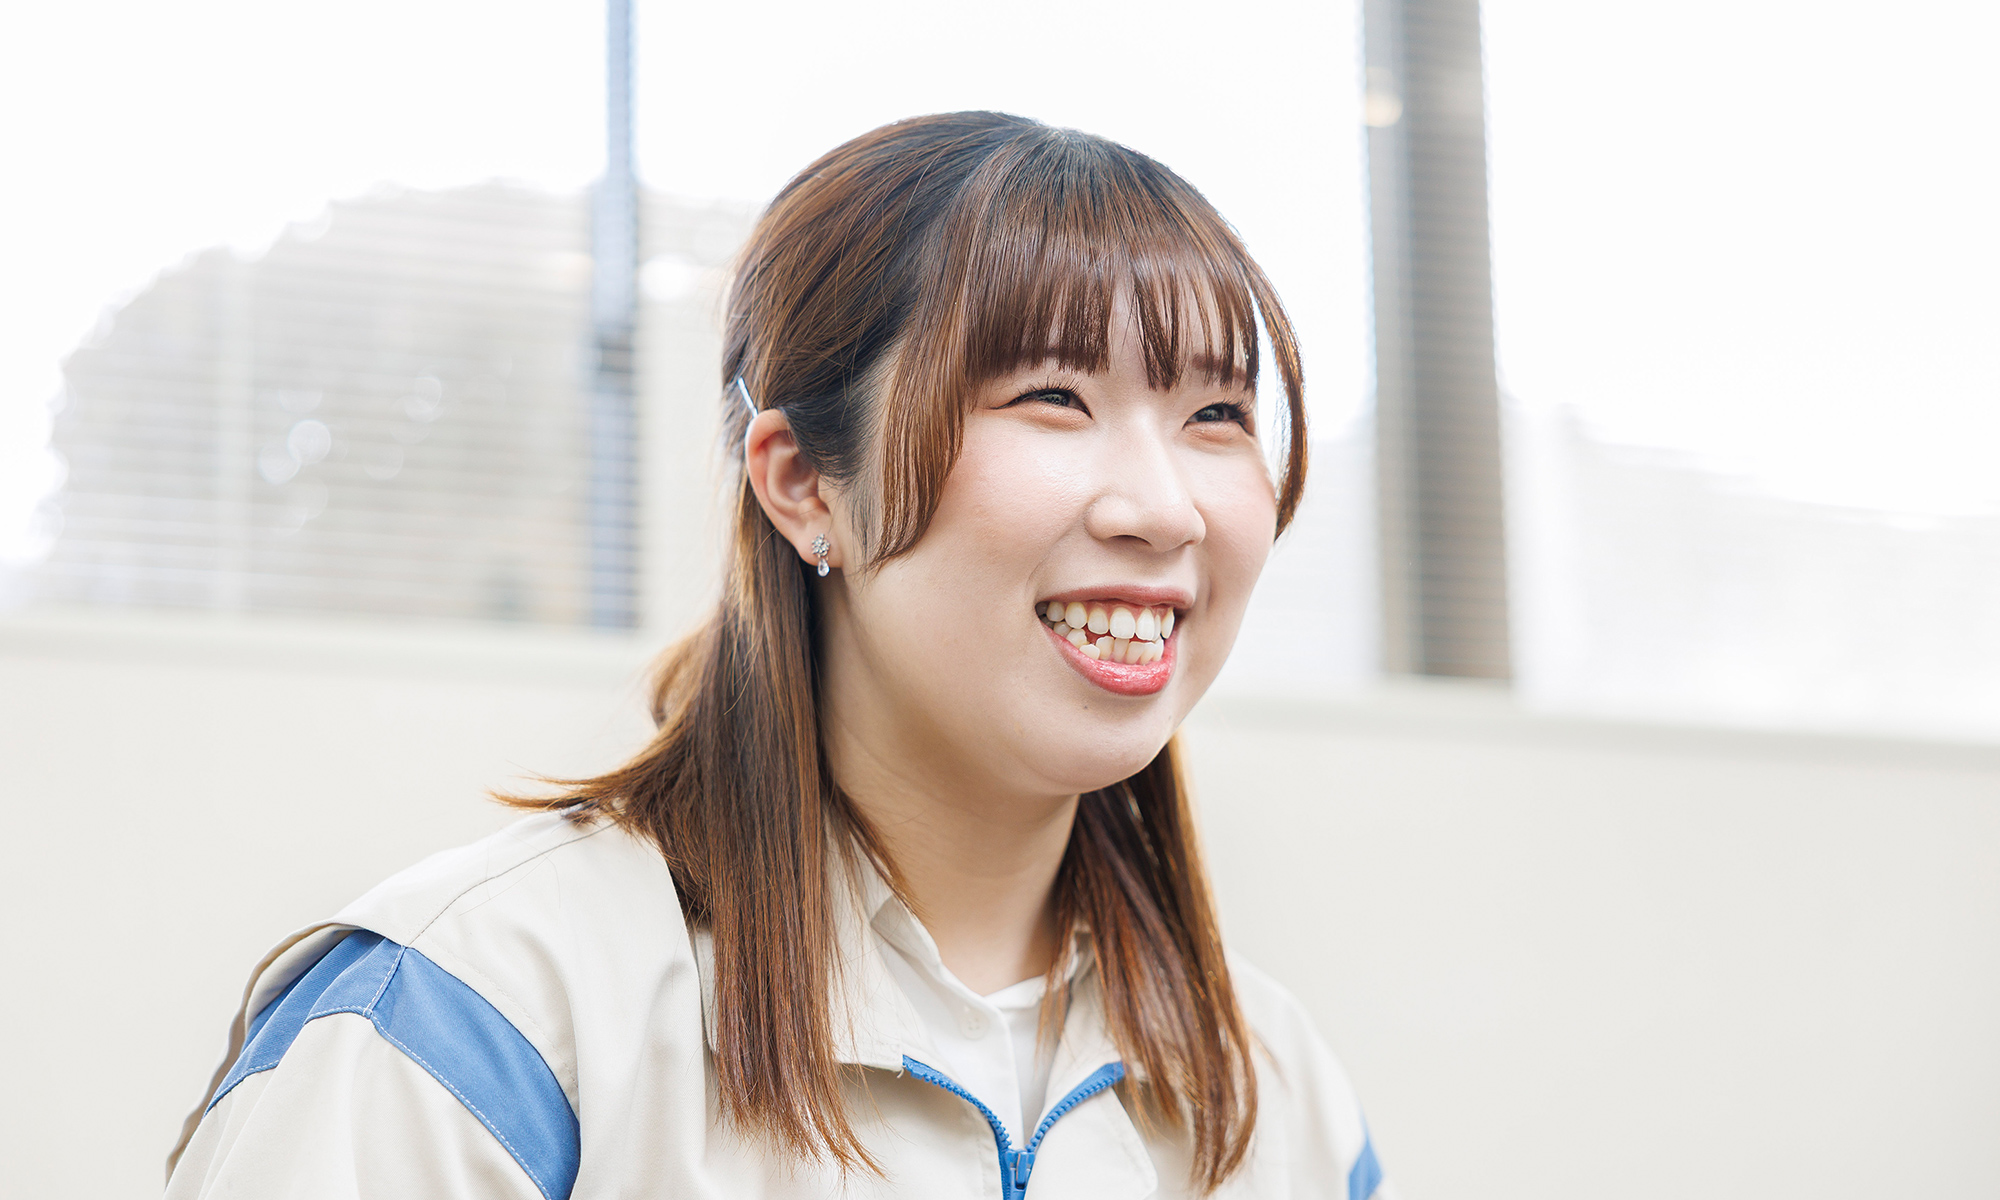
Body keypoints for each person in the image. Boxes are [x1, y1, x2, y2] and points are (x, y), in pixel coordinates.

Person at [164, 111, 1390, 1200]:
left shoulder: (1272, 1091)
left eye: (1216, 415)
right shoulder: (481, 1020)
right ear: (803, 483)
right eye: (1052, 399)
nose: (1165, 510)